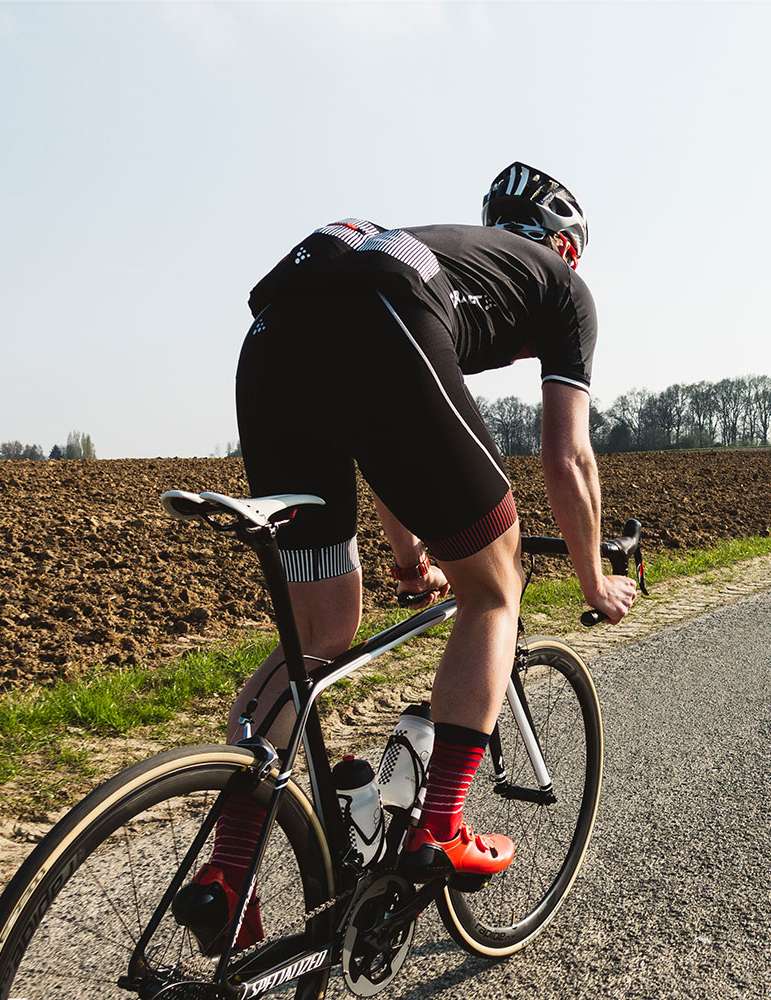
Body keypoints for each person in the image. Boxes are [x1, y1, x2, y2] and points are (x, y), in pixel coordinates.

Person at [171, 162, 638, 955]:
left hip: (276, 332)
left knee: (322, 629)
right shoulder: (562, 287)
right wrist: (595, 579)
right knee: (495, 590)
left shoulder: (462, 256)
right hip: (380, 316)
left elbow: (389, 440)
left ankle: (227, 875)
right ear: (563, 246)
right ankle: (443, 823)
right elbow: (570, 458)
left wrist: (407, 554)